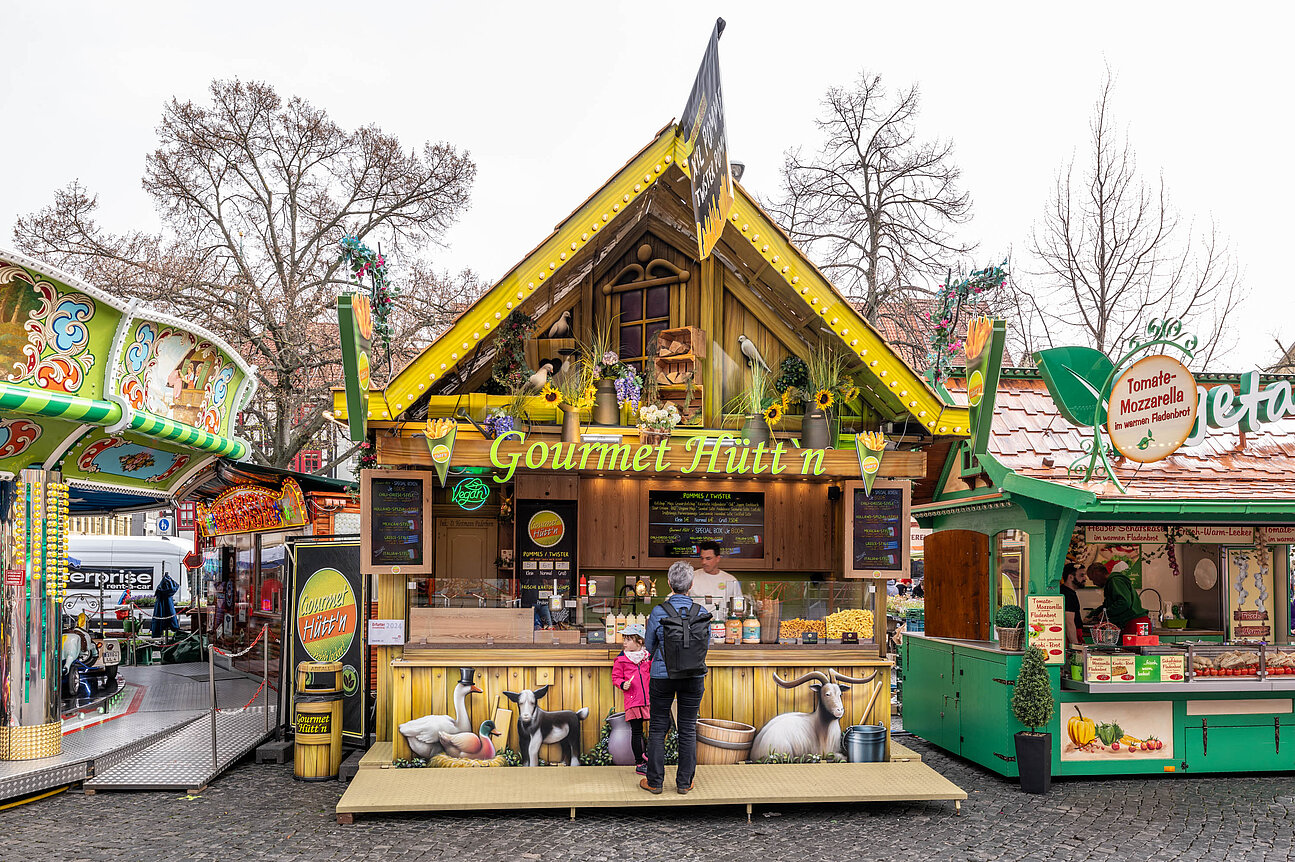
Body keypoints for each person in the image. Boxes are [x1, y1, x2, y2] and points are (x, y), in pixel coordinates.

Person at [642, 561, 708, 795]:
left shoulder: (658, 612)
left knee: (659, 727)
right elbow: (704, 646)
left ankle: (655, 782)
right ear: (691, 585)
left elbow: (648, 648)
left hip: (662, 675)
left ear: (669, 583)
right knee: (688, 728)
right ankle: (684, 783)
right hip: (693, 676)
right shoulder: (701, 612)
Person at [612, 623, 651, 775]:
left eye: (628, 639)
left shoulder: (648, 658)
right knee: (637, 731)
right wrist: (623, 684)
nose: (624, 642)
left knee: (659, 727)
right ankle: (639, 763)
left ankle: (649, 756)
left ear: (639, 641)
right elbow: (616, 677)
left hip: (649, 700)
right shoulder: (621, 660)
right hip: (633, 701)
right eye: (624, 639)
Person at [1086, 561, 1150, 636]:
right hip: (1136, 622)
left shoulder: (1115, 581)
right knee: (1131, 647)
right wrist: (1092, 615)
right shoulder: (1112, 583)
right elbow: (1107, 606)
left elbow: (1124, 602)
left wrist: (1106, 613)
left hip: (1135, 623)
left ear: (1097, 574)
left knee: (1133, 647)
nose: (1094, 583)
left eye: (1093, 579)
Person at [691, 541, 742, 614]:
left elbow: (739, 608)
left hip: (723, 624)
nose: (704, 562)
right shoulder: (691, 577)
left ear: (718, 558)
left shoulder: (730, 580)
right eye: (702, 558)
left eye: (708, 558)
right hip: (696, 624)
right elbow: (674, 600)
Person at [1059, 563, 1088, 647]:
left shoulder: (1068, 592)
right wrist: (1076, 647)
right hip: (1070, 639)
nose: (1085, 578)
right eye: (1081, 575)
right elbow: (1069, 623)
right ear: (1071, 577)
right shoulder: (1068, 594)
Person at [151, 572, 180, 638]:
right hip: (169, 607)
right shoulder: (170, 591)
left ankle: (158, 635)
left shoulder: (161, 589)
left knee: (158, 622)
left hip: (161, 608)